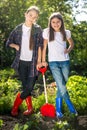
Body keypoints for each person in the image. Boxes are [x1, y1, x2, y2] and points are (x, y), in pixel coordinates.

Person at [6, 6, 43, 116]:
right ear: (25, 14)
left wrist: (40, 62)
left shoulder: (37, 29)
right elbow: (8, 42)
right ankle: (30, 109)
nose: (32, 18)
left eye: (35, 17)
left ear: (36, 19)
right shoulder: (18, 29)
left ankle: (15, 106)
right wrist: (15, 46)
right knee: (26, 87)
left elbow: (41, 46)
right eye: (30, 15)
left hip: (33, 63)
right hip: (21, 63)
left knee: (29, 87)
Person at [41, 12, 78, 118]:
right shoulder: (47, 32)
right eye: (53, 22)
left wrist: (68, 50)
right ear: (50, 23)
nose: (56, 24)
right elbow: (44, 47)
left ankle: (58, 109)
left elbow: (72, 43)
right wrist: (43, 60)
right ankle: (70, 108)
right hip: (53, 62)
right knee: (61, 85)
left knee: (61, 86)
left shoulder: (66, 32)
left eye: (58, 21)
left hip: (65, 62)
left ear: (61, 22)